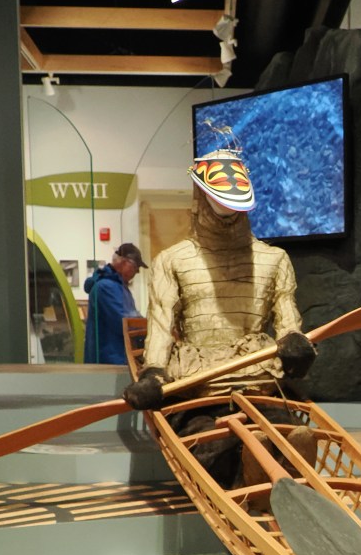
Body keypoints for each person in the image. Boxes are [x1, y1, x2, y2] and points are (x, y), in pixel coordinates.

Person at [121, 139, 317, 485]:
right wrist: (154, 373)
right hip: (200, 386)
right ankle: (253, 471)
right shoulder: (173, 260)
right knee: (212, 441)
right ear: (201, 195)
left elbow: (288, 319)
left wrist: (295, 345)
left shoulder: (274, 260)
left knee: (278, 424)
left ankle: (276, 463)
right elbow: (162, 324)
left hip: (257, 379)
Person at [83, 242, 147, 364]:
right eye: (136, 267)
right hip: (110, 361)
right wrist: (149, 327)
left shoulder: (118, 287)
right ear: (124, 262)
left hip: (117, 358)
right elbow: (124, 322)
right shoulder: (106, 287)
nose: (137, 272)